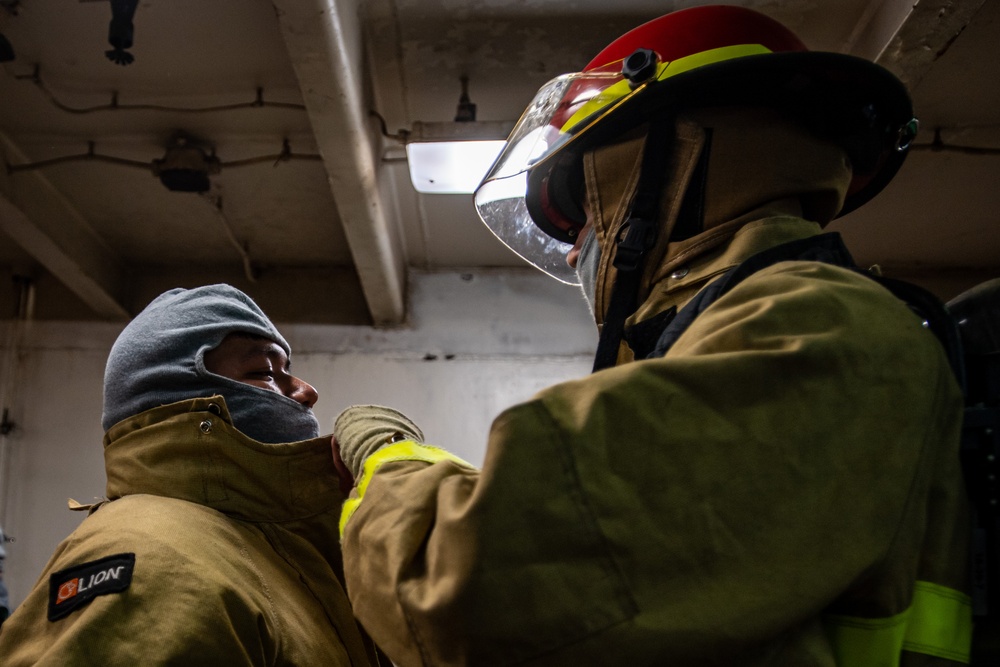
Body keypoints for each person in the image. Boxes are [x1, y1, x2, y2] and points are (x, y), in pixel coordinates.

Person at [331, 5, 974, 666]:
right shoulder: (765, 332)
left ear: (670, 165)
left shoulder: (814, 329)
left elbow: (463, 588)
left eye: (589, 210)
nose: (579, 248)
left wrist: (387, 458)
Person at [0, 284, 378, 666]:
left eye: (288, 370)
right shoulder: (152, 559)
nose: (307, 391)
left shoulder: (271, 544)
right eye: (264, 372)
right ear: (179, 398)